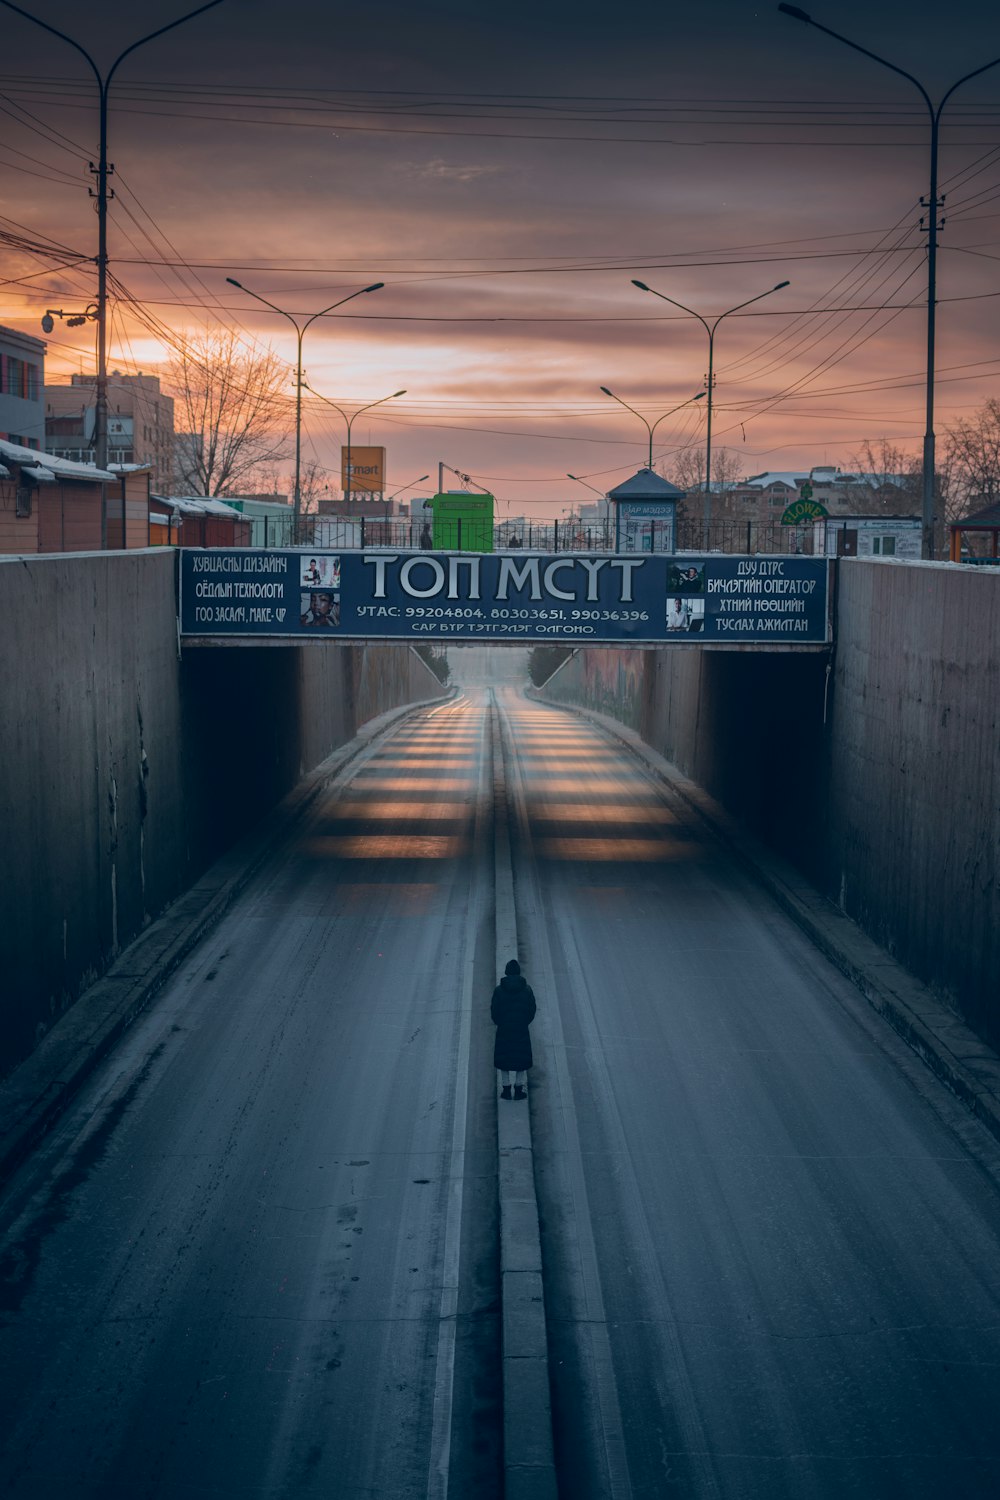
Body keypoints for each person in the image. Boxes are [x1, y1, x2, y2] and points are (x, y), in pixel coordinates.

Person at [491, 958, 536, 1100]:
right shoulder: (527, 990)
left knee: (504, 1058)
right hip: (521, 1028)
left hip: (504, 1029)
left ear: (506, 972)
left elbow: (494, 1011)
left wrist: (501, 1023)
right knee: (520, 1058)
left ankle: (505, 1090)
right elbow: (531, 1010)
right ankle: (518, 1089)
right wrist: (523, 1022)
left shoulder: (498, 990)